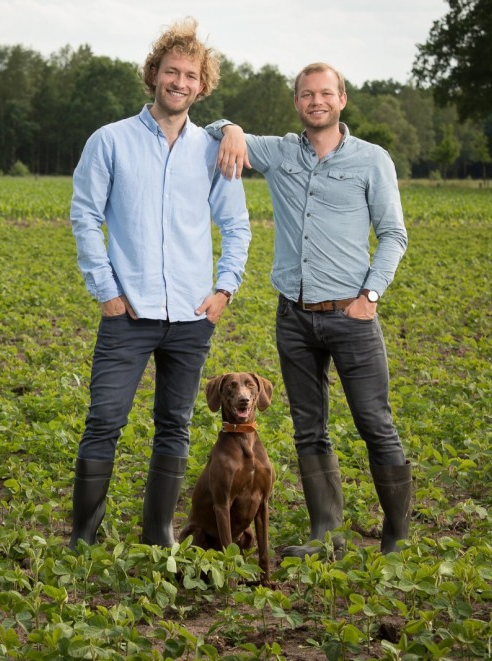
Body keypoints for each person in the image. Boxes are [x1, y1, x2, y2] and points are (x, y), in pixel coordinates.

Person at [206, 62, 412, 556]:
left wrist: (370, 298)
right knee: (309, 427)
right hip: (294, 317)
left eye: (325, 93)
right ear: (296, 102)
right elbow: (211, 127)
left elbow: (393, 235)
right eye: (306, 94)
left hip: (351, 314)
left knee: (375, 423)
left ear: (342, 99)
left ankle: (398, 539)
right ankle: (327, 535)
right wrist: (231, 129)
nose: (316, 101)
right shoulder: (279, 153)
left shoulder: (371, 159)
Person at [68, 18, 251, 549]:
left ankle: (158, 534)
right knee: (104, 421)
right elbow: (85, 217)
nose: (180, 82)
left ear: (202, 85)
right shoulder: (110, 141)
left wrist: (224, 290)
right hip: (128, 314)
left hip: (192, 317)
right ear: (154, 76)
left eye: (190, 75)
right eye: (171, 71)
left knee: (175, 425)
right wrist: (105, 290)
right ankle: (83, 537)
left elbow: (236, 225)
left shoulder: (213, 148)